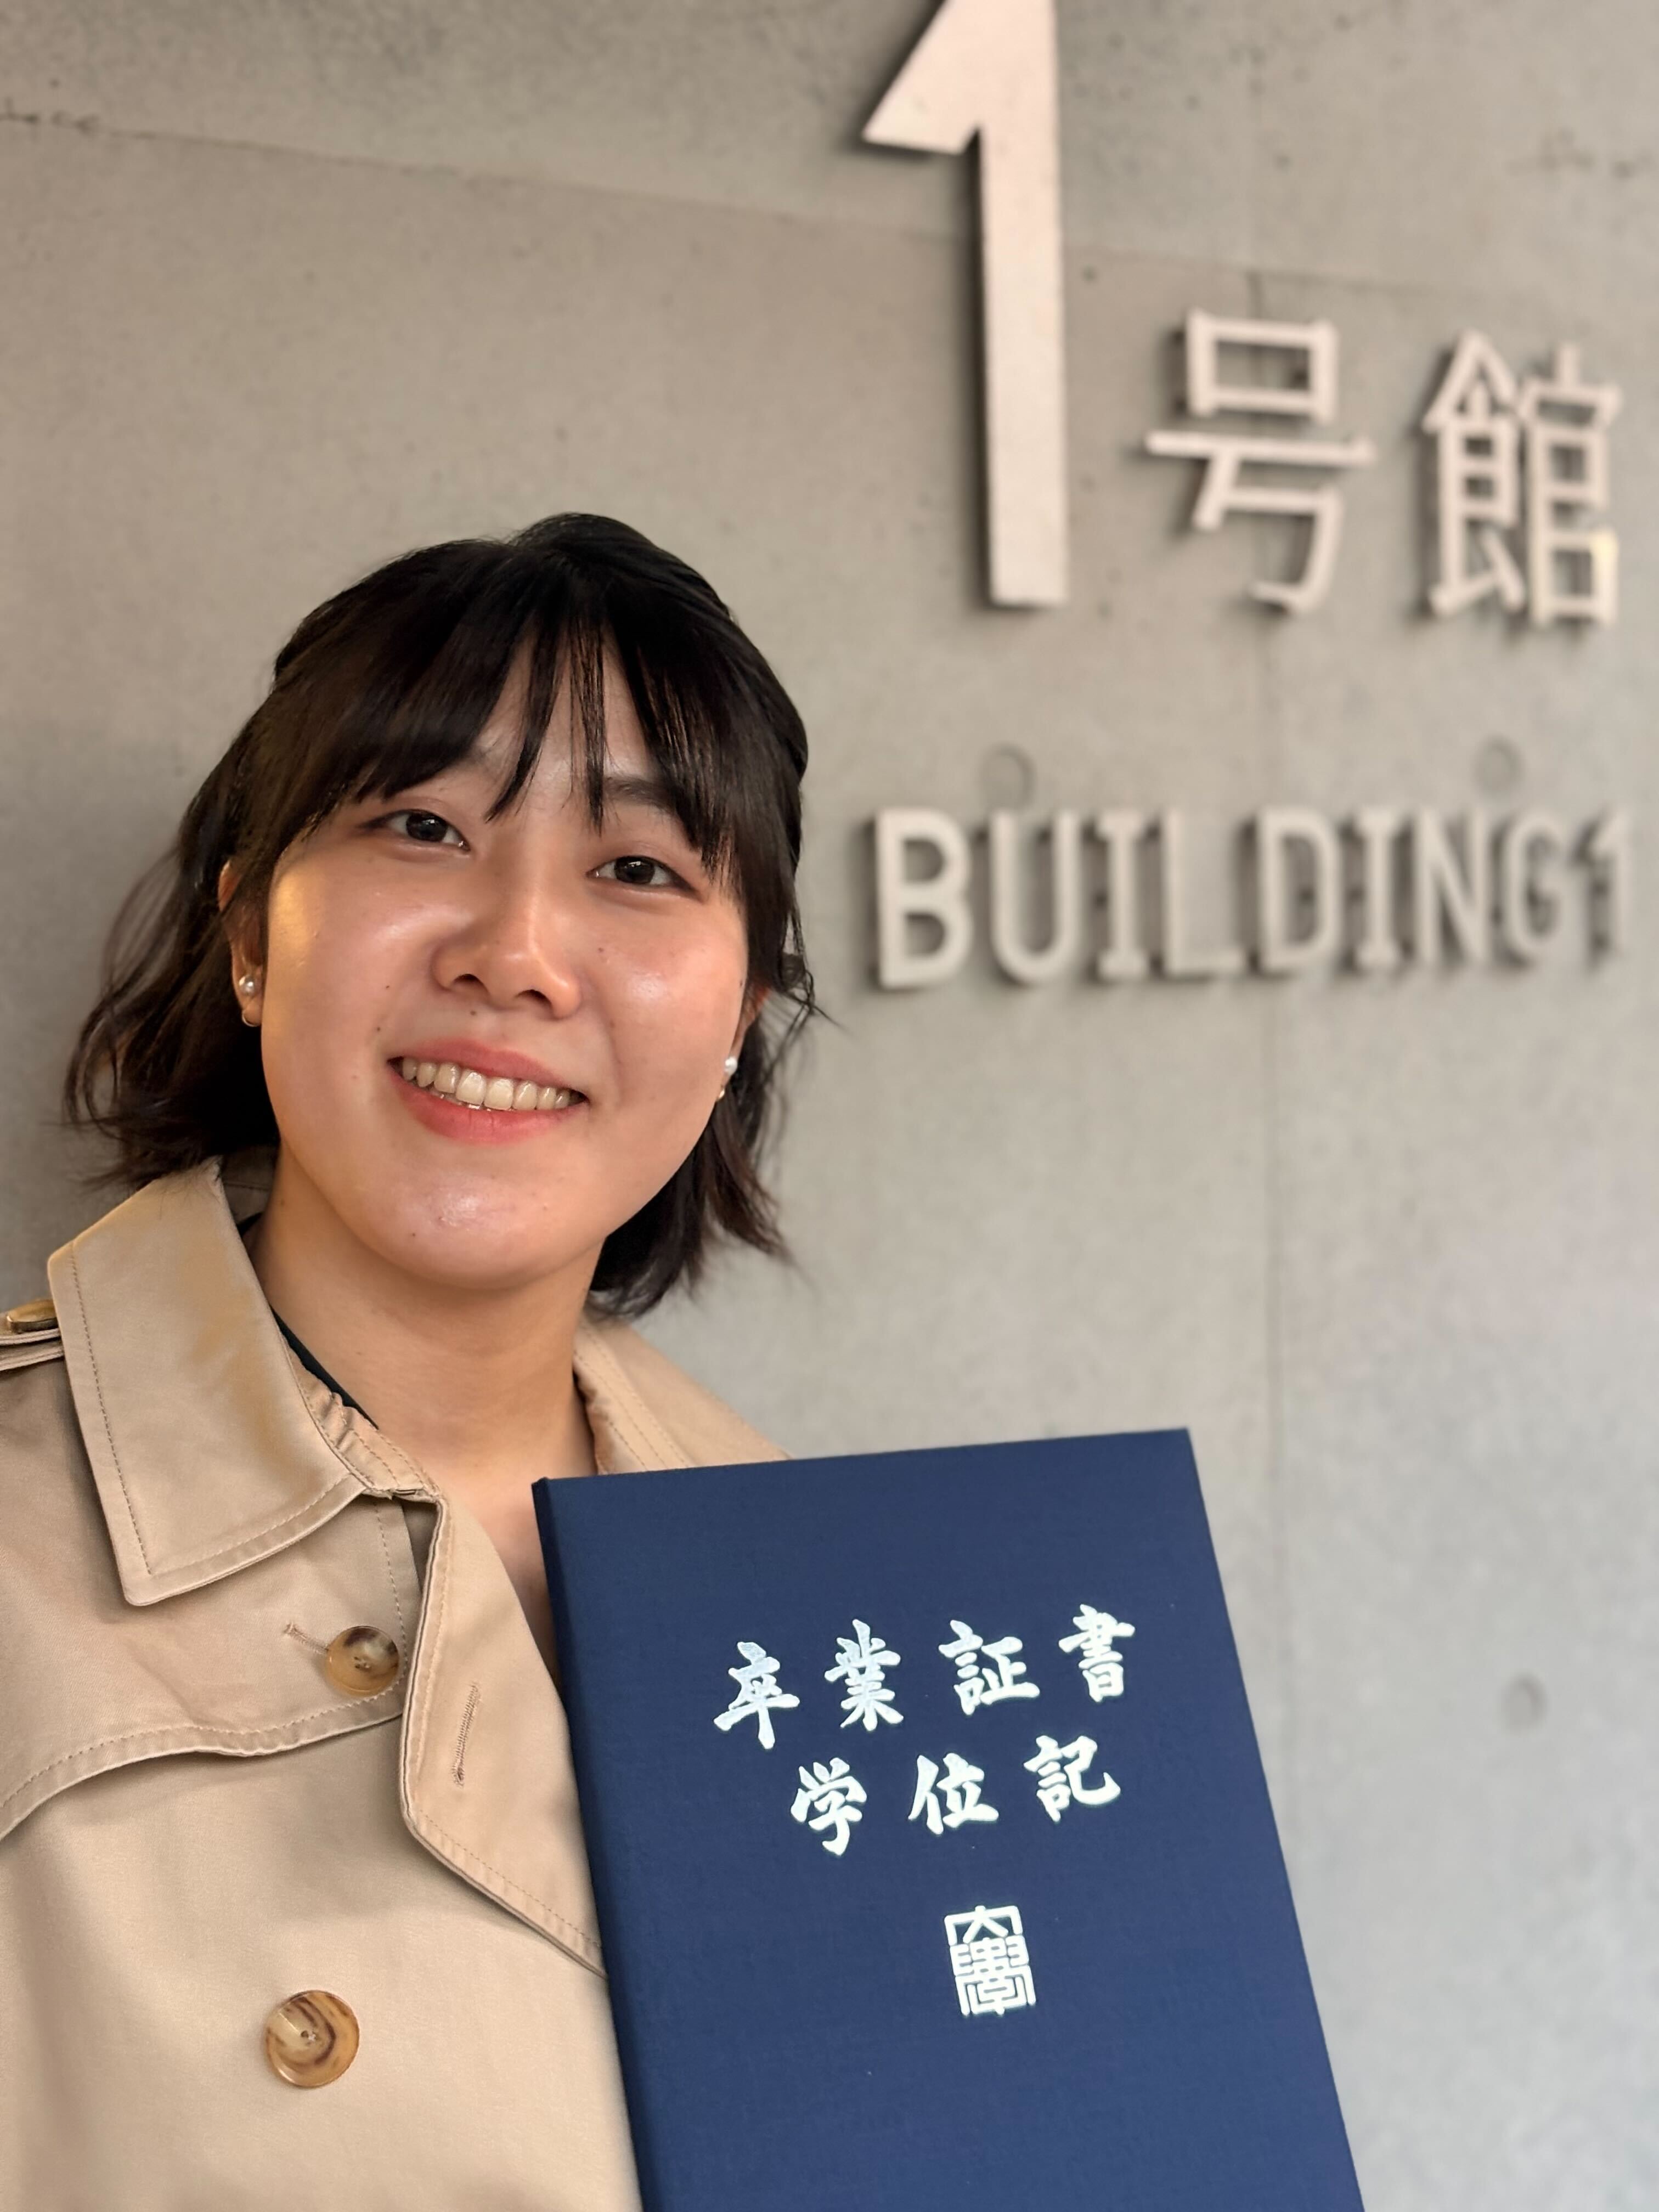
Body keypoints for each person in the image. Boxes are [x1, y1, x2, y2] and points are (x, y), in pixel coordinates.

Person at [0, 514, 815, 2207]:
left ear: (740, 1011)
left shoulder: (804, 1561)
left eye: (638, 869)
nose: (514, 955)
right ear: (248, 932)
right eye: (423, 826)